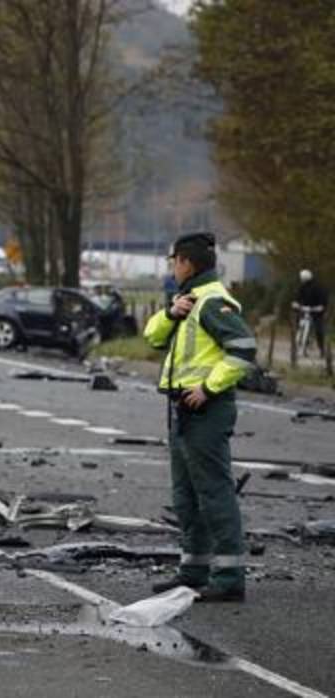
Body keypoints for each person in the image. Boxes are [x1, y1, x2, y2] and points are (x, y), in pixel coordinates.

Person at [143, 232, 255, 602]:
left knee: (214, 493)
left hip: (205, 409)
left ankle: (228, 578)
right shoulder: (188, 301)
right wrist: (168, 313)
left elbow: (243, 350)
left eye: (173, 261)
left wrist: (208, 388)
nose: (172, 267)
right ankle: (193, 570)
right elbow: (152, 338)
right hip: (183, 409)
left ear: (186, 263)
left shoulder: (212, 303)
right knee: (186, 495)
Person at [293, 269, 328, 357]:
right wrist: (296, 304)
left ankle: (321, 349)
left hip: (316, 312)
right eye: (302, 278)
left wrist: (321, 307)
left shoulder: (317, 287)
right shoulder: (302, 287)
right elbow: (297, 297)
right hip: (304, 311)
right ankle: (301, 345)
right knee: (299, 325)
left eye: (303, 278)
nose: (302, 280)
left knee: (318, 330)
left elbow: (323, 300)